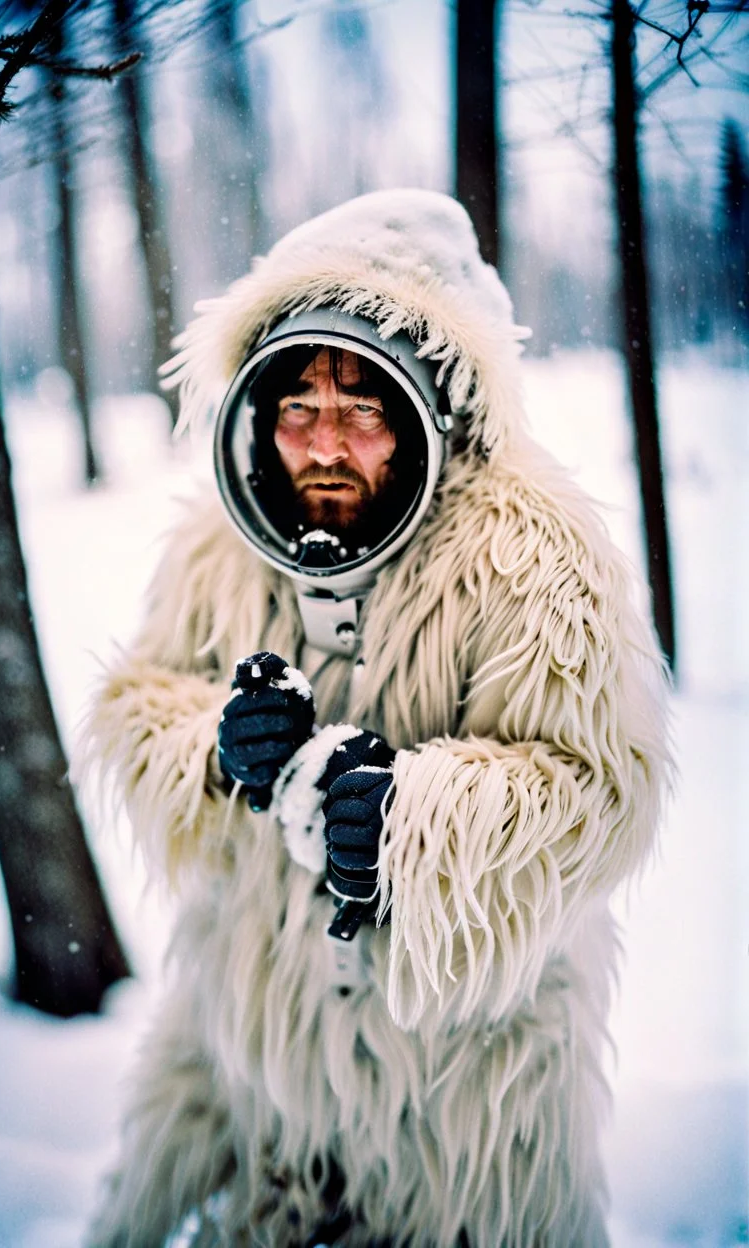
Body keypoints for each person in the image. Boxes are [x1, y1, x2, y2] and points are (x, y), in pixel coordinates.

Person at [77, 188, 669, 1247]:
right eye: (297, 409)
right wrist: (214, 741)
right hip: (259, 1076)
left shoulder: (532, 552)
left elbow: (597, 787)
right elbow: (136, 700)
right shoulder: (217, 546)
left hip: (464, 1100)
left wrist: (416, 814)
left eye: (363, 411)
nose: (323, 446)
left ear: (426, 410)